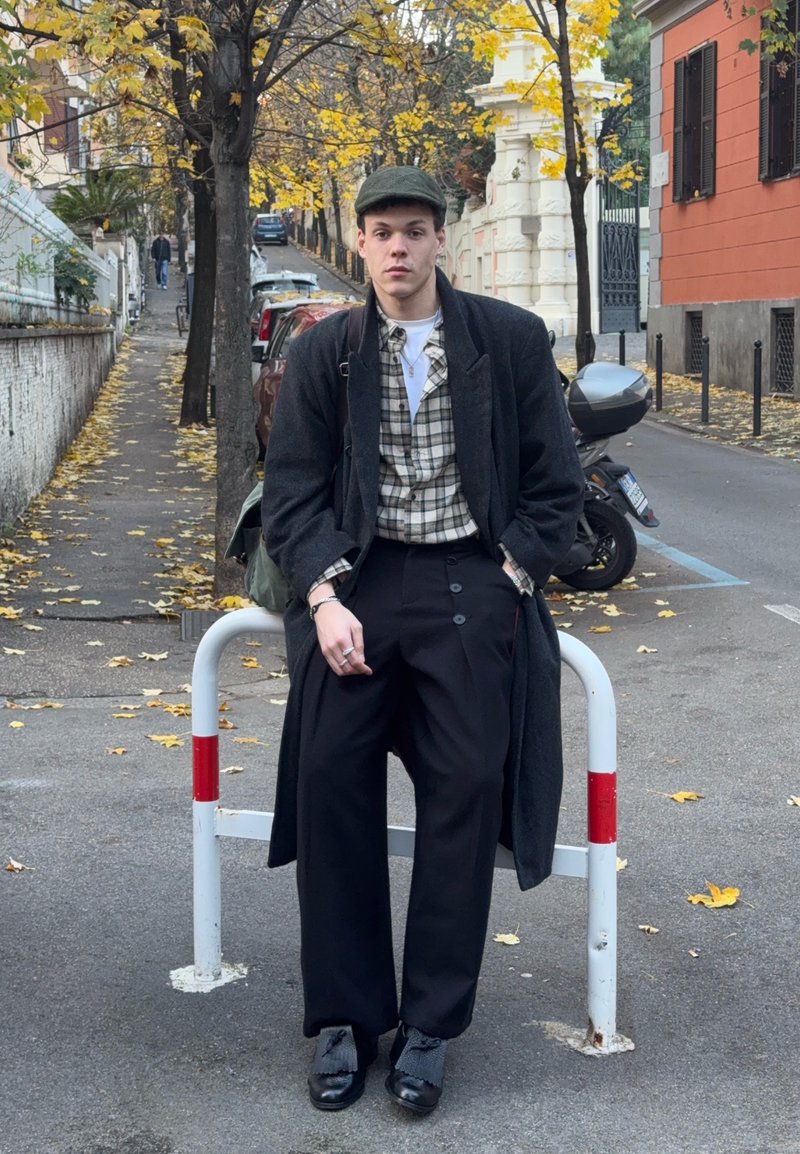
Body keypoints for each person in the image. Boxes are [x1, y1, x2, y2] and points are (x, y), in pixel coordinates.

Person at [261, 166, 584, 1116]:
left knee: (467, 785)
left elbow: (555, 487)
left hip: (468, 581)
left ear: (442, 240)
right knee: (327, 776)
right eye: (380, 232)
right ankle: (345, 1020)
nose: (397, 248)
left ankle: (432, 1025)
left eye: (414, 231)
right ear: (359, 244)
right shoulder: (330, 355)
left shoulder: (510, 341)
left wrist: (511, 579)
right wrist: (323, 597)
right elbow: (293, 495)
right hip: (361, 577)